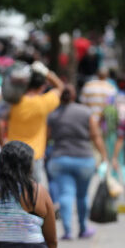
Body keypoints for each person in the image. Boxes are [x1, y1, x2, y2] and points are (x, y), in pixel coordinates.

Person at [48, 85, 108, 239]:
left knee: (65, 194)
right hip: (84, 159)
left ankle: (67, 231)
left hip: (60, 158)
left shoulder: (53, 114)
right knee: (82, 195)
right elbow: (95, 135)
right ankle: (83, 228)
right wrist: (104, 156)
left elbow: (48, 137)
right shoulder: (86, 112)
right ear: (75, 96)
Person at [6, 62, 64, 183]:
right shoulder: (43, 103)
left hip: (13, 153)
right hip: (35, 155)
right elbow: (60, 88)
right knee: (35, 195)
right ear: (42, 87)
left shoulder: (14, 102)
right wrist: (47, 73)